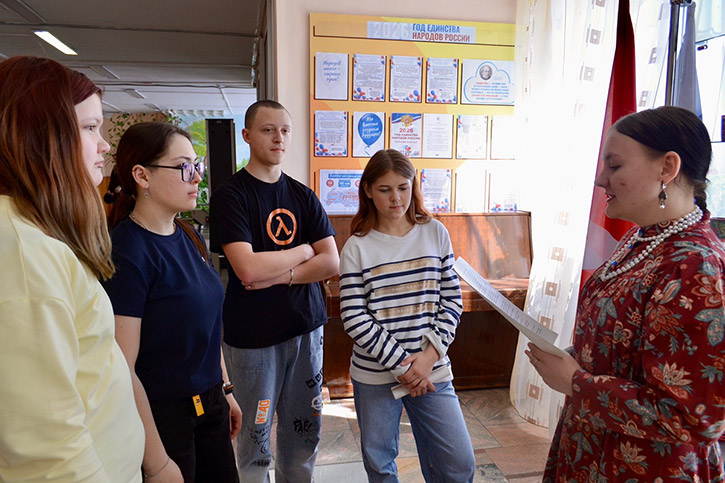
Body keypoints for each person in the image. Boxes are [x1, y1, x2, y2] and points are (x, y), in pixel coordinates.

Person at [526, 106, 725, 481]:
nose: (600, 179)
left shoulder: (695, 267)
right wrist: (575, 358)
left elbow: (694, 419)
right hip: (593, 448)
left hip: (646, 468)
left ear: (667, 168)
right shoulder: (643, 238)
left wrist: (577, 383)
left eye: (615, 166)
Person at [0, 56, 144, 481]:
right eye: (90, 128)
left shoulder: (35, 234)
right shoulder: (22, 253)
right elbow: (47, 454)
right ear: (43, 136)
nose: (104, 146)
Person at [102, 121, 241, 482]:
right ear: (142, 176)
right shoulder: (127, 252)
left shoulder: (189, 235)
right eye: (184, 167)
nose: (197, 177)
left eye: (197, 165)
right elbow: (122, 368)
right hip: (163, 417)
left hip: (209, 401)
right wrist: (156, 461)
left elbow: (207, 326)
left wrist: (225, 389)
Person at [209, 100, 339, 482]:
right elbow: (247, 269)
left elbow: (331, 262)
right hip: (254, 341)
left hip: (306, 331)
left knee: (305, 433)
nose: (278, 138)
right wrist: (303, 251)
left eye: (284, 130)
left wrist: (280, 275)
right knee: (256, 440)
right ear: (247, 135)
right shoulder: (231, 196)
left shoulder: (303, 195)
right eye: (268, 130)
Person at [338, 149, 475, 482]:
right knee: (380, 463)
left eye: (403, 187)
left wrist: (428, 358)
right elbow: (354, 316)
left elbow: (451, 300)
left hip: (431, 367)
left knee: (458, 463)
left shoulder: (435, 232)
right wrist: (403, 367)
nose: (396, 198)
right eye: (385, 190)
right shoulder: (357, 246)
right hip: (376, 375)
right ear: (368, 190)